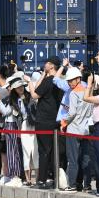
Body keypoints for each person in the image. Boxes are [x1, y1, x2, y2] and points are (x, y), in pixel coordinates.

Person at [29, 56, 64, 188]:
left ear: (52, 66)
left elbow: (35, 95)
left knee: (44, 151)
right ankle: (54, 177)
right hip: (55, 119)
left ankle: (42, 179)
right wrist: (44, 73)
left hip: (43, 120)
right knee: (54, 151)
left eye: (47, 63)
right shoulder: (59, 82)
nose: (45, 65)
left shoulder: (48, 81)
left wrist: (30, 84)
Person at [62, 67, 95, 192]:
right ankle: (87, 185)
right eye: (68, 81)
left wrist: (64, 123)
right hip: (86, 130)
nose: (69, 83)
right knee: (86, 159)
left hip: (73, 130)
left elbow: (72, 113)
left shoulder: (73, 93)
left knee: (73, 159)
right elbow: (91, 110)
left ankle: (72, 184)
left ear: (78, 79)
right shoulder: (87, 91)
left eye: (71, 80)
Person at [0, 75, 26, 186]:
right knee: (10, 152)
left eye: (21, 86)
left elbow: (5, 112)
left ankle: (16, 177)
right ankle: (11, 176)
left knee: (14, 152)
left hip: (14, 126)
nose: (21, 88)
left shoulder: (19, 99)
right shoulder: (12, 99)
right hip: (9, 125)